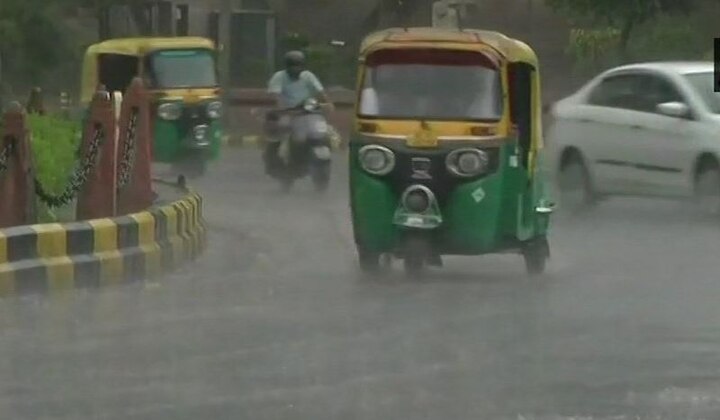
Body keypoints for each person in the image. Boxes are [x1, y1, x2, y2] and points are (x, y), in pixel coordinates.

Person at [263, 51, 334, 178]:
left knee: (322, 131)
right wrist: (282, 108)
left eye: (298, 65)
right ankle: (278, 159)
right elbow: (276, 96)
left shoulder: (308, 76)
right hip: (288, 112)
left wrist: (328, 103)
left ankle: (309, 156)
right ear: (287, 66)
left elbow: (320, 91)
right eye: (292, 66)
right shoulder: (279, 77)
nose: (296, 69)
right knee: (282, 129)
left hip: (308, 111)